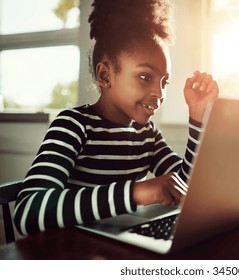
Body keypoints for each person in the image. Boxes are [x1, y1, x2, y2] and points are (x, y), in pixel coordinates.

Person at [13, 0, 219, 236]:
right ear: (105, 75)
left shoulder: (146, 136)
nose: (159, 93)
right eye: (145, 76)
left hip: (116, 247)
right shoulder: (73, 126)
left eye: (165, 82)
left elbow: (188, 187)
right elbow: (28, 212)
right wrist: (135, 193)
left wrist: (199, 118)